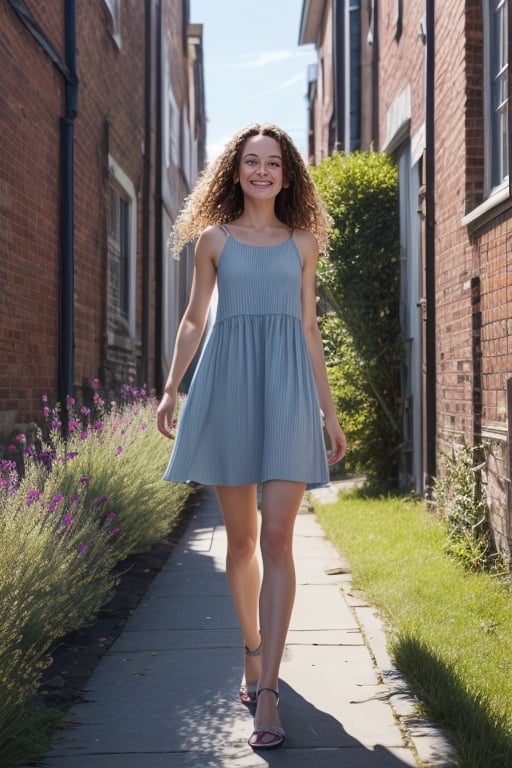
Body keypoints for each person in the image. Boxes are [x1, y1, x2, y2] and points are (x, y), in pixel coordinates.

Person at [156, 123, 346, 750]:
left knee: (279, 535)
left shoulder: (303, 243)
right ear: (234, 172)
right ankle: (253, 650)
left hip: (288, 390)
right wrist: (170, 387)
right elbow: (193, 318)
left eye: (272, 163)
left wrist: (330, 413)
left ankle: (268, 691)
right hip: (228, 389)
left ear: (287, 174)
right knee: (240, 544)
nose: (261, 171)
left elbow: (310, 328)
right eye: (250, 162)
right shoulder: (213, 239)